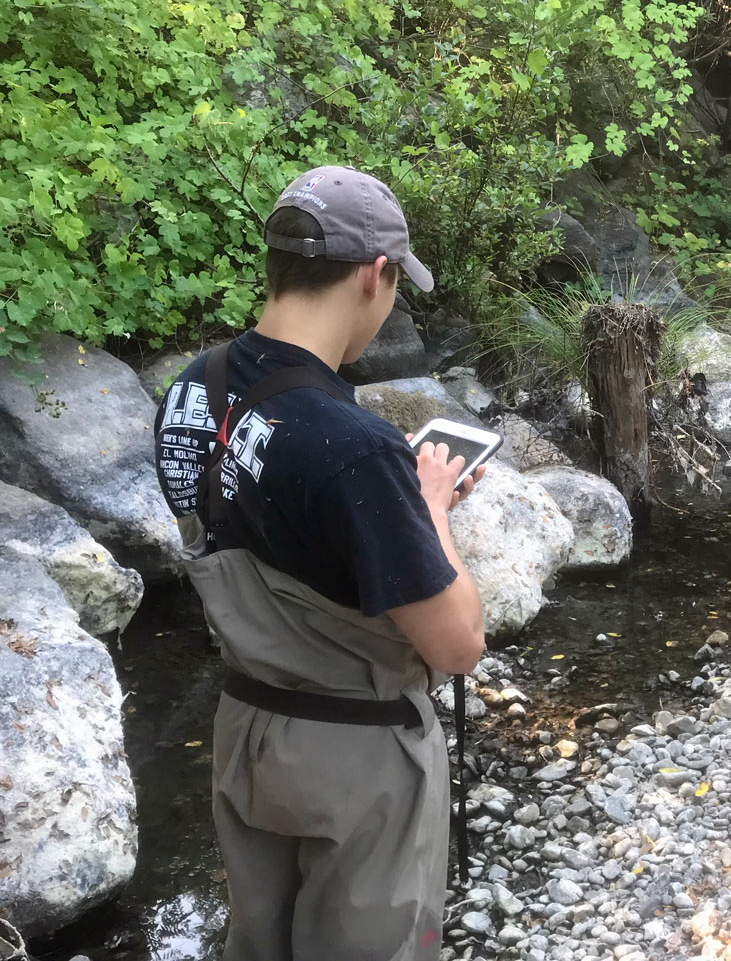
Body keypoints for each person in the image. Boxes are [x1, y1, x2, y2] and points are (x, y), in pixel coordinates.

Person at [153, 165, 486, 961]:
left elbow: (266, 527)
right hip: (356, 756)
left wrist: (387, 507)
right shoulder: (353, 446)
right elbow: (457, 644)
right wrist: (428, 506)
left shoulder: (193, 388)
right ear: (376, 275)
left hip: (246, 728)